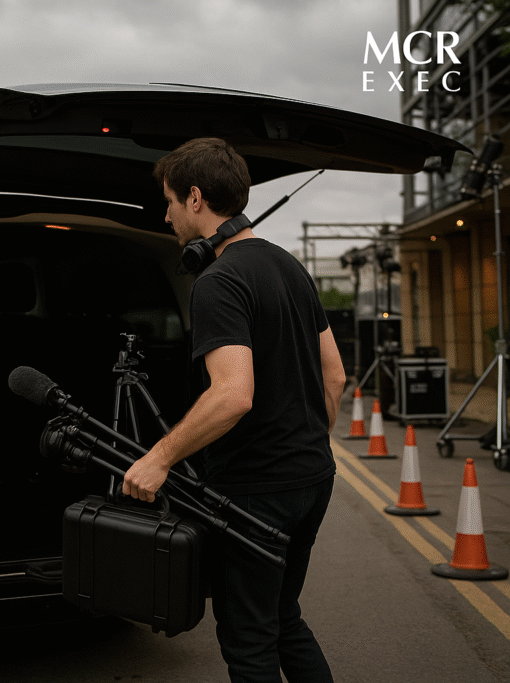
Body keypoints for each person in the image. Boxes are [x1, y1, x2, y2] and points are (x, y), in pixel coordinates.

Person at [122, 137, 346, 682]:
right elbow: (334, 374)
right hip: (312, 479)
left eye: (171, 200)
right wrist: (305, 446)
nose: (167, 213)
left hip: (255, 494)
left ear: (195, 198)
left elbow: (232, 394)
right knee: (283, 616)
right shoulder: (288, 266)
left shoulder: (218, 281)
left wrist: (160, 457)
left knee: (248, 640)